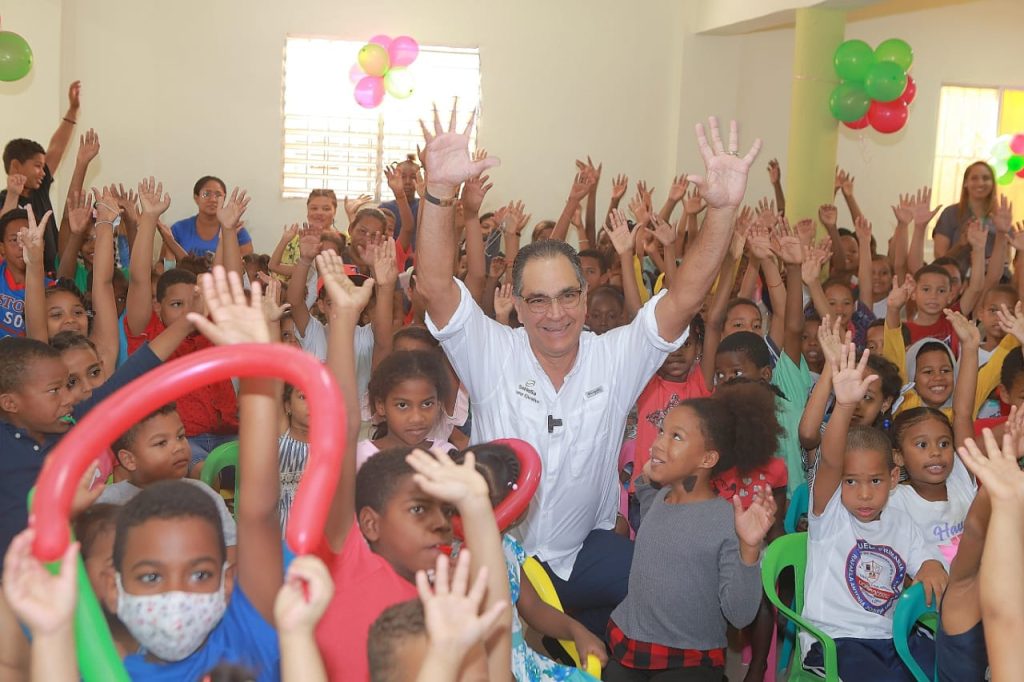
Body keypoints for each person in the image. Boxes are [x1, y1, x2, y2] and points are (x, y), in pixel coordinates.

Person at [415, 107, 761, 634]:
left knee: (664, 605)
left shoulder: (615, 355)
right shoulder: (491, 350)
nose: (555, 314)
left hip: (584, 557)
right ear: (520, 304)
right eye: (538, 300)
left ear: (583, 296)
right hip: (499, 555)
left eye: (567, 296)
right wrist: (438, 191)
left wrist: (722, 213)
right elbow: (438, 286)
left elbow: (686, 297)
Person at [606, 383, 778, 682]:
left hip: (688, 657)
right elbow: (649, 502)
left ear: (707, 459)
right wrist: (649, 475)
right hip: (632, 642)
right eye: (661, 431)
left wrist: (749, 549)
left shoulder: (723, 520)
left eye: (676, 437)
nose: (658, 443)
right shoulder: (661, 498)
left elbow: (740, 615)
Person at [803, 341, 947, 681]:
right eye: (851, 482)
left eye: (875, 481)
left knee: (949, 663)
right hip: (836, 640)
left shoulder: (900, 521)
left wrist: (931, 568)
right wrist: (844, 406)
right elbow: (832, 459)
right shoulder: (830, 512)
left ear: (894, 477)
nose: (864, 495)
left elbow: (926, 561)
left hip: (889, 636)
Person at [125, 177, 241, 468]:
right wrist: (149, 218)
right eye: (176, 305)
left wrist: (227, 230)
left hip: (228, 435)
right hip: (182, 440)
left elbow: (229, 279)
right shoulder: (149, 331)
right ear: (157, 307)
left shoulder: (208, 325)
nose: (188, 310)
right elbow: (139, 279)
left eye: (193, 301)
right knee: (208, 473)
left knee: (264, 465)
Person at [98, 403, 238, 549]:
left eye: (181, 436)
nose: (179, 447)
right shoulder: (106, 503)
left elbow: (231, 546)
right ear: (129, 460)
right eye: (161, 443)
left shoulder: (204, 496)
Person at [0, 81, 82, 271]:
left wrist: (73, 109)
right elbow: (3, 225)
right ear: (15, 166)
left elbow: (56, 148)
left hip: (50, 274)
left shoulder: (39, 189)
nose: (43, 172)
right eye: (37, 166)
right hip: (22, 278)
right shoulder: (4, 198)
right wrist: (13, 194)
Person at [358, 350, 456, 469]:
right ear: (381, 406)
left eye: (427, 404)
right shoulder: (362, 456)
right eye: (402, 405)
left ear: (439, 403)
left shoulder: (446, 455)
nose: (417, 418)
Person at [164, 176, 254, 259]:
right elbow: (164, 265)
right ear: (196, 197)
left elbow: (246, 266)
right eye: (206, 194)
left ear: (224, 198)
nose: (213, 200)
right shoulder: (178, 229)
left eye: (218, 195)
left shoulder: (235, 230)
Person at [932, 161, 995, 259]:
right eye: (974, 178)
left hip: (992, 274)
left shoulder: (999, 217)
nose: (980, 183)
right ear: (966, 183)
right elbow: (940, 257)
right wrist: (960, 244)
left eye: (986, 178)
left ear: (992, 184)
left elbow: (1005, 261)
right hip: (956, 273)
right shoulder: (950, 213)